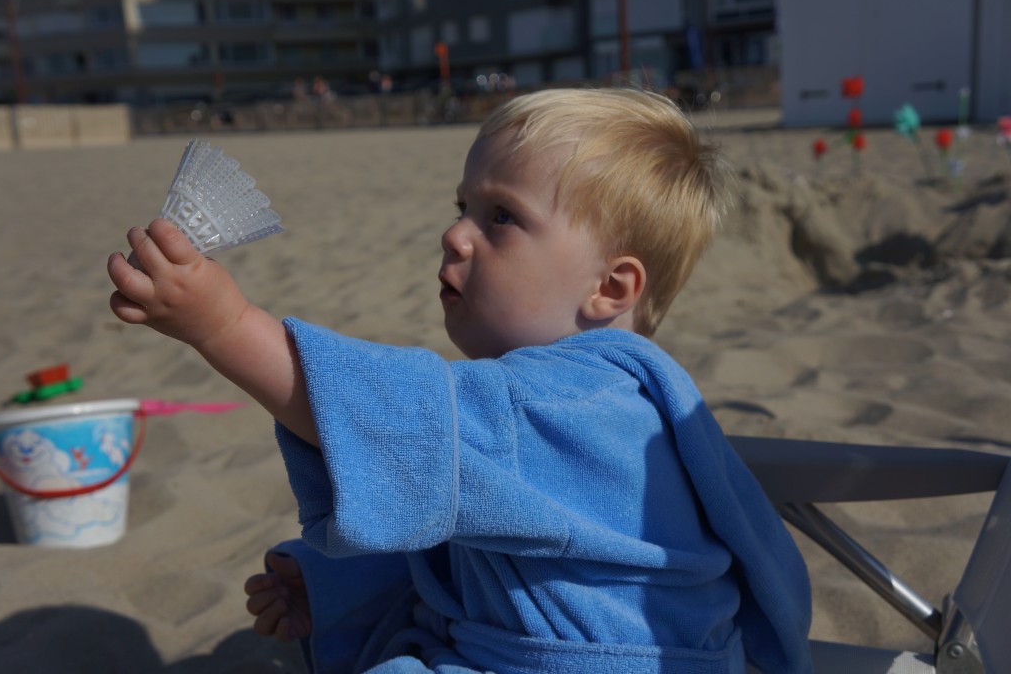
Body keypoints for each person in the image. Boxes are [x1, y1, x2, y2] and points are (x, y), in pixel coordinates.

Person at [107, 87, 812, 674]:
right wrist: (330, 587)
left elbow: (384, 417)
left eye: (502, 217)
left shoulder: (559, 403)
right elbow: (479, 539)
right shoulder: (623, 395)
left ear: (610, 287)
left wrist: (223, 324)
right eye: (462, 207)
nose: (456, 234)